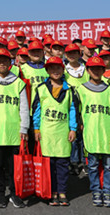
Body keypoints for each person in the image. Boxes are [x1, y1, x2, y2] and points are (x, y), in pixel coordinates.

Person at [0, 48, 29, 209]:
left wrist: (24, 128)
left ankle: (15, 194)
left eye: (5, 60)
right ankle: (0, 194)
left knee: (15, 167)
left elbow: (24, 107)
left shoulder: (18, 83)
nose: (2, 63)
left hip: (15, 132)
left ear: (11, 62)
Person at [32, 56, 76, 206]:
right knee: (49, 165)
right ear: (47, 70)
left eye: (58, 68)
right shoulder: (41, 89)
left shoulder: (69, 89)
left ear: (63, 70)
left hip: (63, 132)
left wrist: (73, 129)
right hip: (47, 133)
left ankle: (62, 191)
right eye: (52, 68)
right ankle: (52, 191)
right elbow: (37, 111)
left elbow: (72, 110)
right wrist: (36, 129)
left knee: (62, 165)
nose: (55, 71)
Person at [75, 55, 110, 208]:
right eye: (93, 68)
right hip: (91, 131)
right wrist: (79, 125)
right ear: (87, 70)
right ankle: (96, 191)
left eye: (99, 68)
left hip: (107, 131)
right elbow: (77, 110)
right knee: (92, 166)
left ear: (104, 70)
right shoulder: (81, 89)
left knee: (108, 166)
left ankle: (107, 191)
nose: (96, 71)